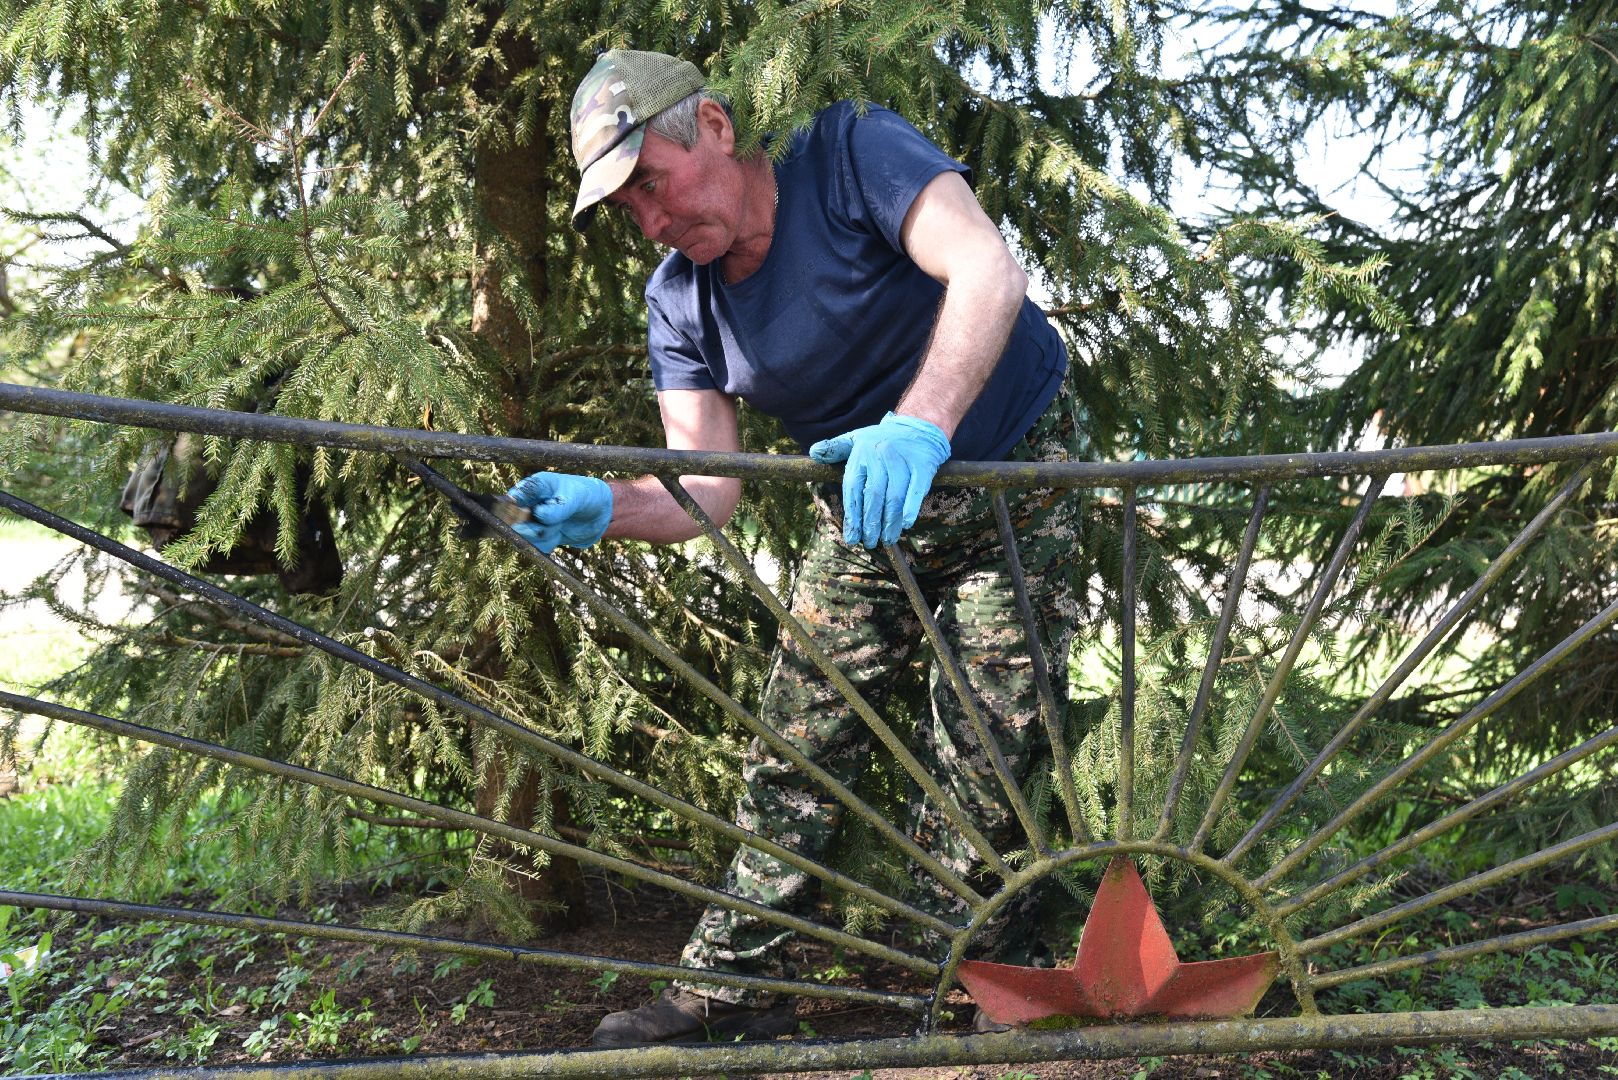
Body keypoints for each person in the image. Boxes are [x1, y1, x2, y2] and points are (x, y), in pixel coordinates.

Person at [508, 49, 1082, 1047]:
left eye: (651, 181)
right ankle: (728, 991)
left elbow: (987, 268)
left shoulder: (853, 153)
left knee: (985, 743)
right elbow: (707, 489)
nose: (651, 220)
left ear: (716, 129)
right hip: (866, 517)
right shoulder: (680, 302)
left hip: (1009, 481)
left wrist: (921, 425)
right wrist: (605, 505)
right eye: (626, 207)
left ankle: (963, 980)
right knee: (798, 744)